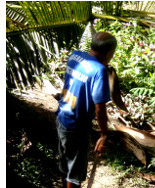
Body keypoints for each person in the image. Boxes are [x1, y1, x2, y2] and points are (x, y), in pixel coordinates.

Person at [55, 32, 117, 188]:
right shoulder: (99, 71)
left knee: (66, 165)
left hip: (62, 117)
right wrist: (104, 134)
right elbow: (99, 108)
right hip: (76, 127)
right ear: (109, 53)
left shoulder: (75, 56)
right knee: (74, 175)